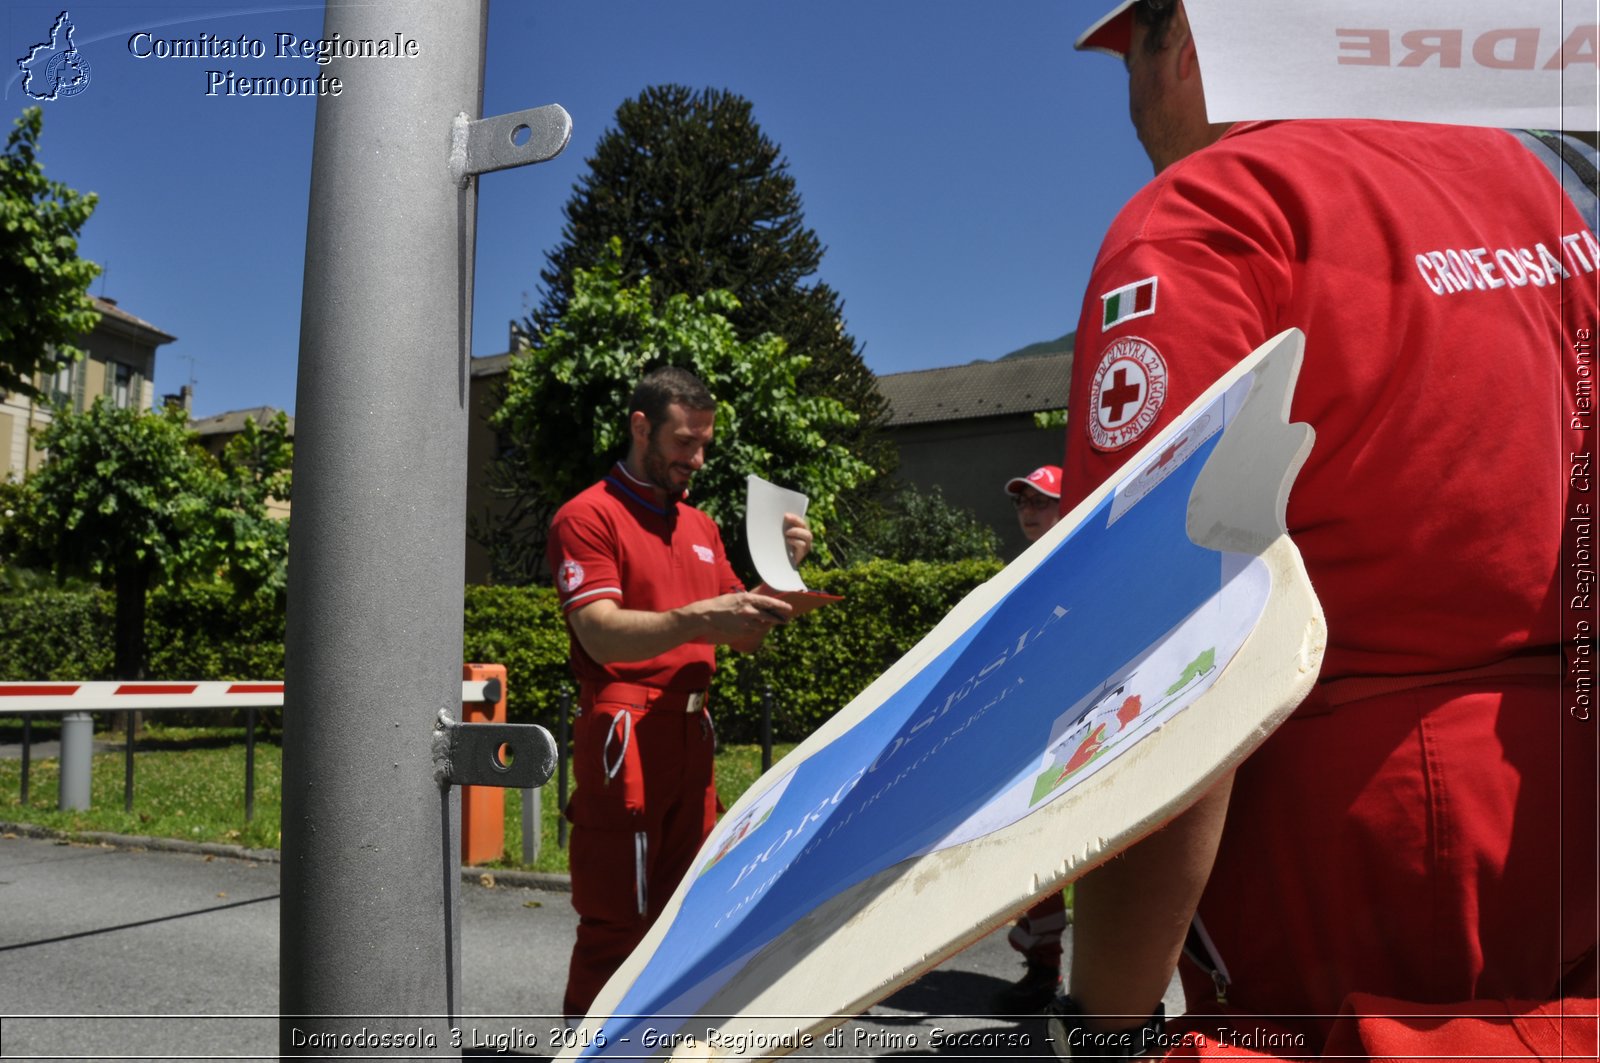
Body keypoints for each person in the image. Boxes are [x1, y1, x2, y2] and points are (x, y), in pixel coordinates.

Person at [1050, 1, 1598, 1057]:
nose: (1130, 105)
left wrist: (1107, 1017)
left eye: (1131, 62)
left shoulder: (1209, 212)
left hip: (1352, 840)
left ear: (1192, 46)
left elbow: (1167, 645)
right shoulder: (1540, 191)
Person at [547, 365, 813, 1020]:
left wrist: (784, 572)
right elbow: (600, 633)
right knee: (616, 921)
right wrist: (698, 619)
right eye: (684, 441)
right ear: (642, 427)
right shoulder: (586, 516)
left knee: (686, 917)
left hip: (692, 738)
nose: (695, 458)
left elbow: (741, 632)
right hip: (624, 734)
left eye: (703, 444)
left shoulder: (701, 526)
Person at [992, 464, 1071, 1013]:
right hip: (1030, 733)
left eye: (1041, 502)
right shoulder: (1018, 572)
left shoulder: (1081, 561)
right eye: (1023, 503)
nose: (1029, 512)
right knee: (1034, 851)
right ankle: (1045, 969)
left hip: (1080, 726)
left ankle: (1114, 995)